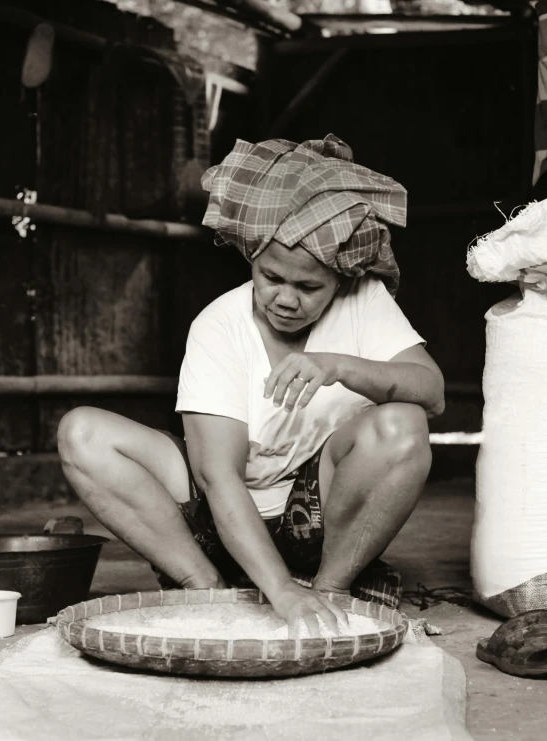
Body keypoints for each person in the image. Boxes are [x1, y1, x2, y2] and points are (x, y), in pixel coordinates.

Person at [57, 135, 445, 638]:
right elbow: (219, 476)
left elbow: (431, 392)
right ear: (253, 257)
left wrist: (340, 366)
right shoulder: (219, 325)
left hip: (316, 520)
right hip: (219, 521)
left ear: (340, 279)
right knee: (81, 432)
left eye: (308, 288)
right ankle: (205, 586)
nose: (286, 299)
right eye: (271, 278)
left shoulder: (364, 300)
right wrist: (280, 591)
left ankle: (330, 589)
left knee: (403, 423)